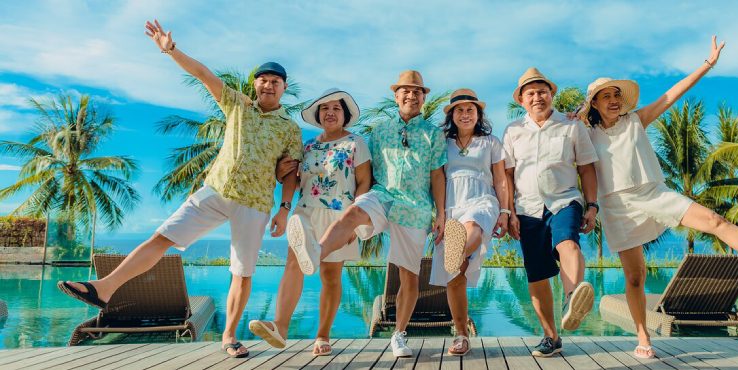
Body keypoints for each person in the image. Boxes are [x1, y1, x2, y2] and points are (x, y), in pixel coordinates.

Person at [56, 20, 303, 358]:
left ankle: (229, 336)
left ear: (283, 88)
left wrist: (284, 209)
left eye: (275, 81)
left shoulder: (290, 129)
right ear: (255, 84)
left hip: (256, 203)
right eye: (263, 80)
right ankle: (104, 288)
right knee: (162, 237)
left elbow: (291, 173)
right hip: (215, 191)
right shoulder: (237, 105)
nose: (268, 85)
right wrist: (170, 50)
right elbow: (204, 74)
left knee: (242, 272)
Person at [576, 35, 738, 360]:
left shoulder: (635, 121)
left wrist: (707, 65)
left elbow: (672, 94)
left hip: (654, 192)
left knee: (715, 220)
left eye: (616, 94)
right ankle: (643, 337)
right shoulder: (585, 133)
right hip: (618, 207)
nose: (613, 99)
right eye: (604, 96)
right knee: (635, 277)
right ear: (594, 103)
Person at [289, 70, 447, 358]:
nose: (411, 95)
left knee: (408, 277)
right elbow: (364, 171)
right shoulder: (379, 132)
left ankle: (399, 334)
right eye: (406, 91)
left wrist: (441, 213)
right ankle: (315, 253)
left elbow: (437, 175)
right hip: (383, 195)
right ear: (396, 95)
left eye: (417, 91)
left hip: (416, 208)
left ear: (424, 97)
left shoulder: (434, 134)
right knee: (350, 215)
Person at [248, 89, 371, 356]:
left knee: (330, 276)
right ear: (318, 115)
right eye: (325, 108)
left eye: (336, 108)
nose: (330, 112)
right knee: (292, 264)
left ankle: (323, 335)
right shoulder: (308, 146)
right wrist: (282, 188)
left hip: (339, 215)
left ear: (345, 115)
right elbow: (291, 177)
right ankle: (280, 327)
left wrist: (355, 221)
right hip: (305, 212)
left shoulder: (356, 143)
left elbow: (364, 183)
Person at [502, 67, 600, 357]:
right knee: (537, 276)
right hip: (527, 208)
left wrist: (592, 205)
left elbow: (586, 168)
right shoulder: (513, 131)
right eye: (530, 93)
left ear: (551, 94)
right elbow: (506, 176)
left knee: (567, 243)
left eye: (542, 91)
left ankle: (572, 299)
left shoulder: (571, 126)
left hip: (564, 200)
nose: (537, 97)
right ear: (521, 100)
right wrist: (509, 212)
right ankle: (551, 337)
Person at [429, 89, 510, 356]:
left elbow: (500, 179)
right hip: (452, 204)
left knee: (474, 225)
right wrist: (440, 214)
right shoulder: (442, 142)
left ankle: (457, 253)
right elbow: (437, 179)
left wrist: (506, 211)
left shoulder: (490, 142)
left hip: (482, 197)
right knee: (456, 278)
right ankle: (462, 335)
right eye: (460, 110)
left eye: (470, 110)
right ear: (452, 115)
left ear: (478, 114)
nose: (465, 114)